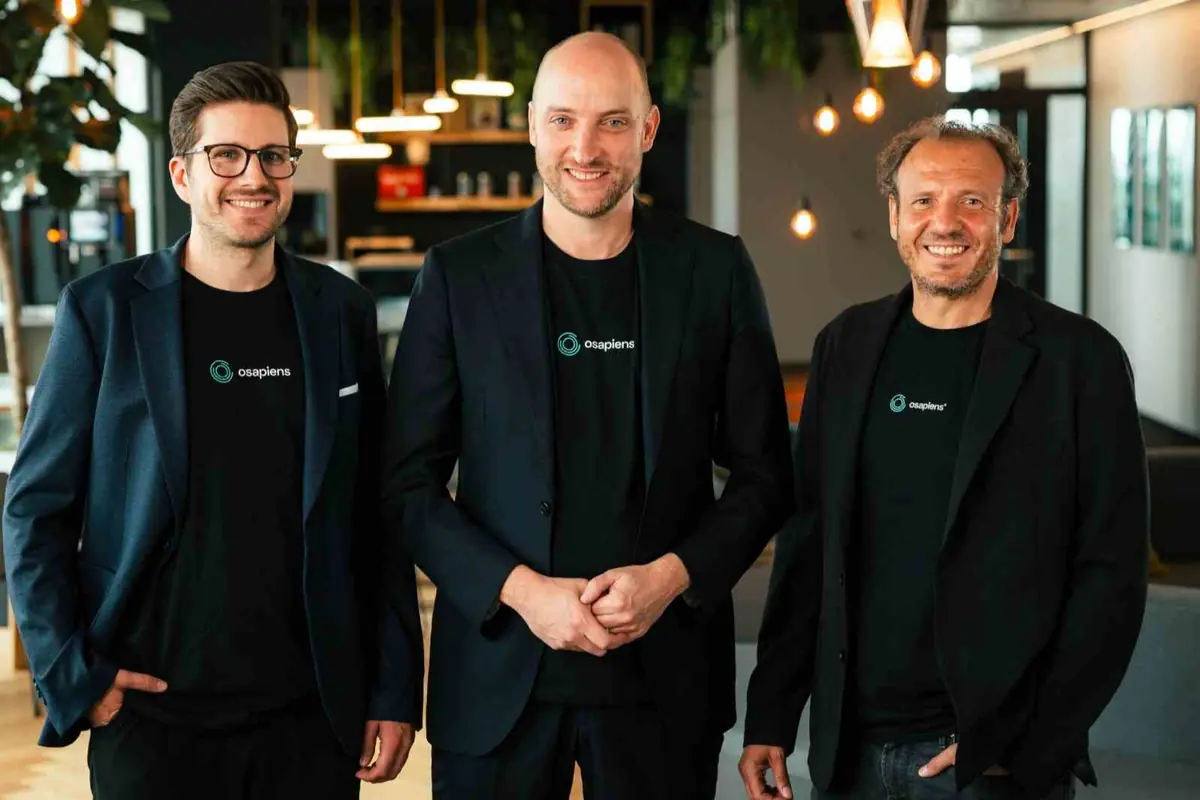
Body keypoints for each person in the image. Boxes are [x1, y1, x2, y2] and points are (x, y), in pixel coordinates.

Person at [382, 31, 793, 800]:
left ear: (649, 129)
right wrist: (521, 591)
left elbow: (766, 475)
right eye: (564, 120)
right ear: (533, 126)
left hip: (665, 680)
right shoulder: (458, 276)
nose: (585, 147)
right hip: (498, 673)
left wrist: (670, 578)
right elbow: (406, 485)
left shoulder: (713, 270)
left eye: (612, 121)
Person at [2, 61, 423, 799]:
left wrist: (392, 688)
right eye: (226, 155)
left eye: (273, 155)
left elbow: (373, 515)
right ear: (181, 174)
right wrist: (70, 671)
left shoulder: (339, 312)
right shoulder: (103, 311)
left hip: (308, 714)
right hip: (152, 715)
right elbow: (35, 509)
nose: (253, 176)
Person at [740, 115, 1149, 800]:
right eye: (924, 200)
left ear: (1007, 218)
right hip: (848, 754)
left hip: (988, 762)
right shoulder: (846, 346)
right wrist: (773, 714)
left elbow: (1111, 577)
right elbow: (808, 545)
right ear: (895, 217)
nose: (945, 222)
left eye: (972, 201)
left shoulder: (1080, 362)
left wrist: (1029, 741)